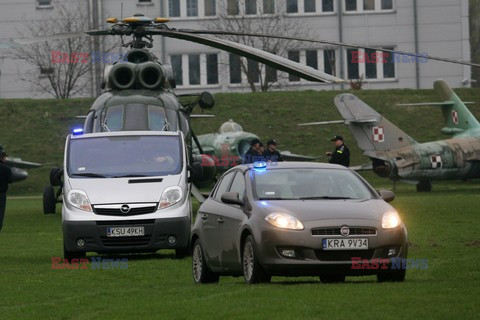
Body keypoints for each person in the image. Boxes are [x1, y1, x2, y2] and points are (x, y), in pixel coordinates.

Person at [0, 147, 13, 233]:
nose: (5, 158)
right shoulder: (6, 168)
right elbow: (10, 180)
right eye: (4, 157)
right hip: (1, 194)